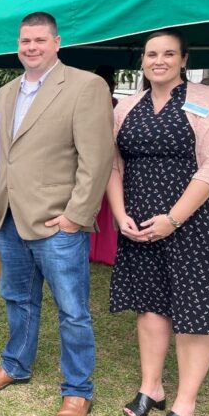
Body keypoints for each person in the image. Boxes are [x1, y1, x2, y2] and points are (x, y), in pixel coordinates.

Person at [0, 12, 114, 416]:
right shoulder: (5, 92)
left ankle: (77, 391)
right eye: (24, 41)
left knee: (72, 310)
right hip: (11, 218)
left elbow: (97, 158)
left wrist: (76, 216)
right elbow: (5, 153)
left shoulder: (86, 86)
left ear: (57, 43)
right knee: (17, 298)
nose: (30, 47)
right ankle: (15, 364)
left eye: (39, 40)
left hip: (58, 223)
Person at [107, 30, 209, 416]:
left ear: (184, 60)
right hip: (141, 225)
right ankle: (152, 388)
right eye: (152, 54)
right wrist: (118, 213)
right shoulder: (127, 106)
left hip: (197, 222)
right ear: (143, 61)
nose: (159, 60)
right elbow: (113, 165)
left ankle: (186, 402)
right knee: (150, 307)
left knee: (195, 313)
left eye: (169, 53)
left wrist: (174, 217)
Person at [89, 64, 120, 266]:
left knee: (92, 203)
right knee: (108, 206)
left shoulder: (90, 103)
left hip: (91, 157)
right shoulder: (116, 104)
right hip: (110, 158)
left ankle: (92, 249)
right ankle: (107, 251)